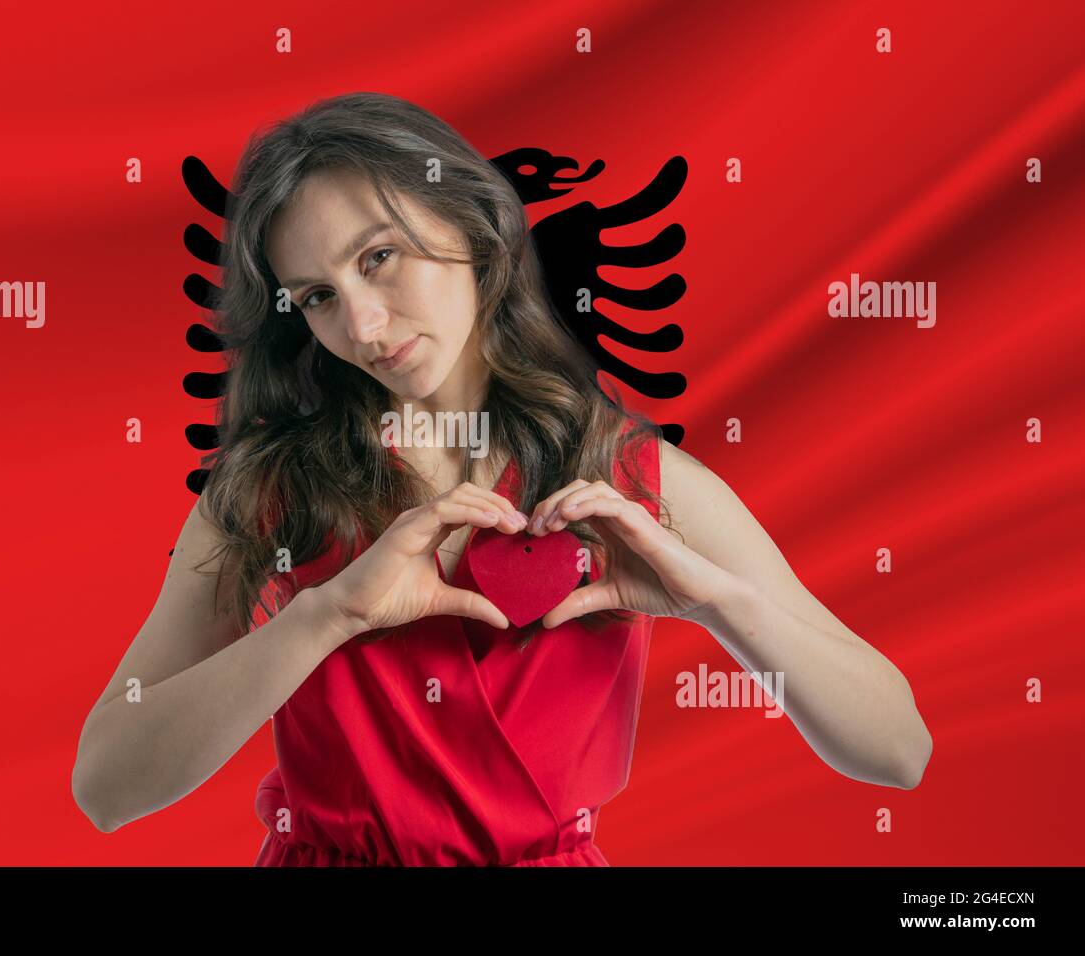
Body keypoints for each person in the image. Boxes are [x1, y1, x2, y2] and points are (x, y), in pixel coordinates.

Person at [71, 92, 933, 866]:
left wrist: (718, 605)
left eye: (378, 258)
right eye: (317, 297)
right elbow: (106, 787)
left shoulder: (634, 477)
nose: (364, 326)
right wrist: (326, 615)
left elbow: (898, 750)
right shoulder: (267, 491)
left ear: (475, 228)